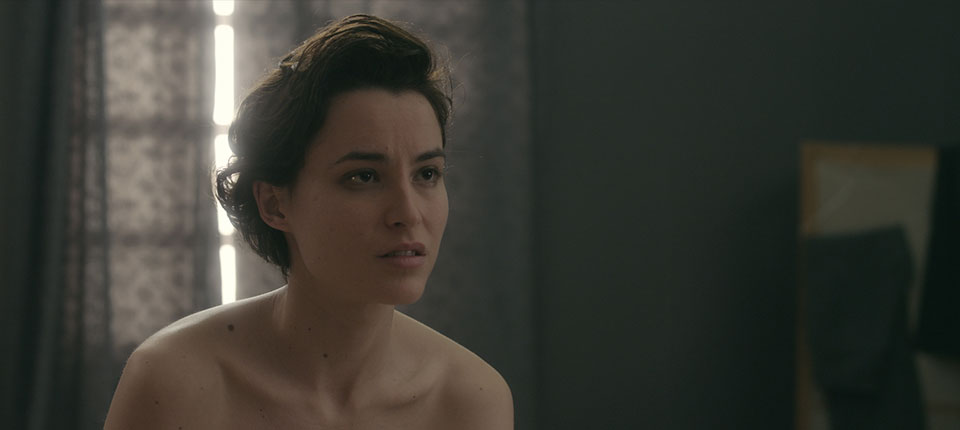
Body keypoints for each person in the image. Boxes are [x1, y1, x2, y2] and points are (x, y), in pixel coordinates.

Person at [104, 14, 513, 429]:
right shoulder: (176, 384)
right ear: (275, 204)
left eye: (426, 174)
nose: (408, 213)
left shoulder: (469, 400)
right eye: (363, 177)